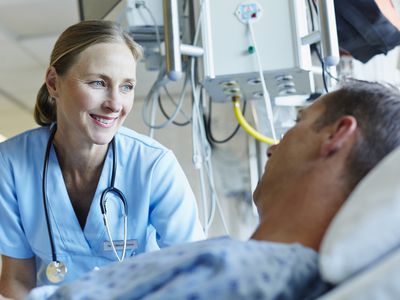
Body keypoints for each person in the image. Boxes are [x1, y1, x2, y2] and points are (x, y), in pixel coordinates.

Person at [25, 80, 400, 300]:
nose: (273, 146)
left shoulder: (248, 274)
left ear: (338, 135)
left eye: (299, 122)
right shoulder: (240, 260)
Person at [0, 20, 204, 299]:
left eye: (127, 86)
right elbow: (16, 281)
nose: (115, 104)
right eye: (98, 83)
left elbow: (196, 274)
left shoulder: (153, 166)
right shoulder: (11, 164)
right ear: (53, 83)